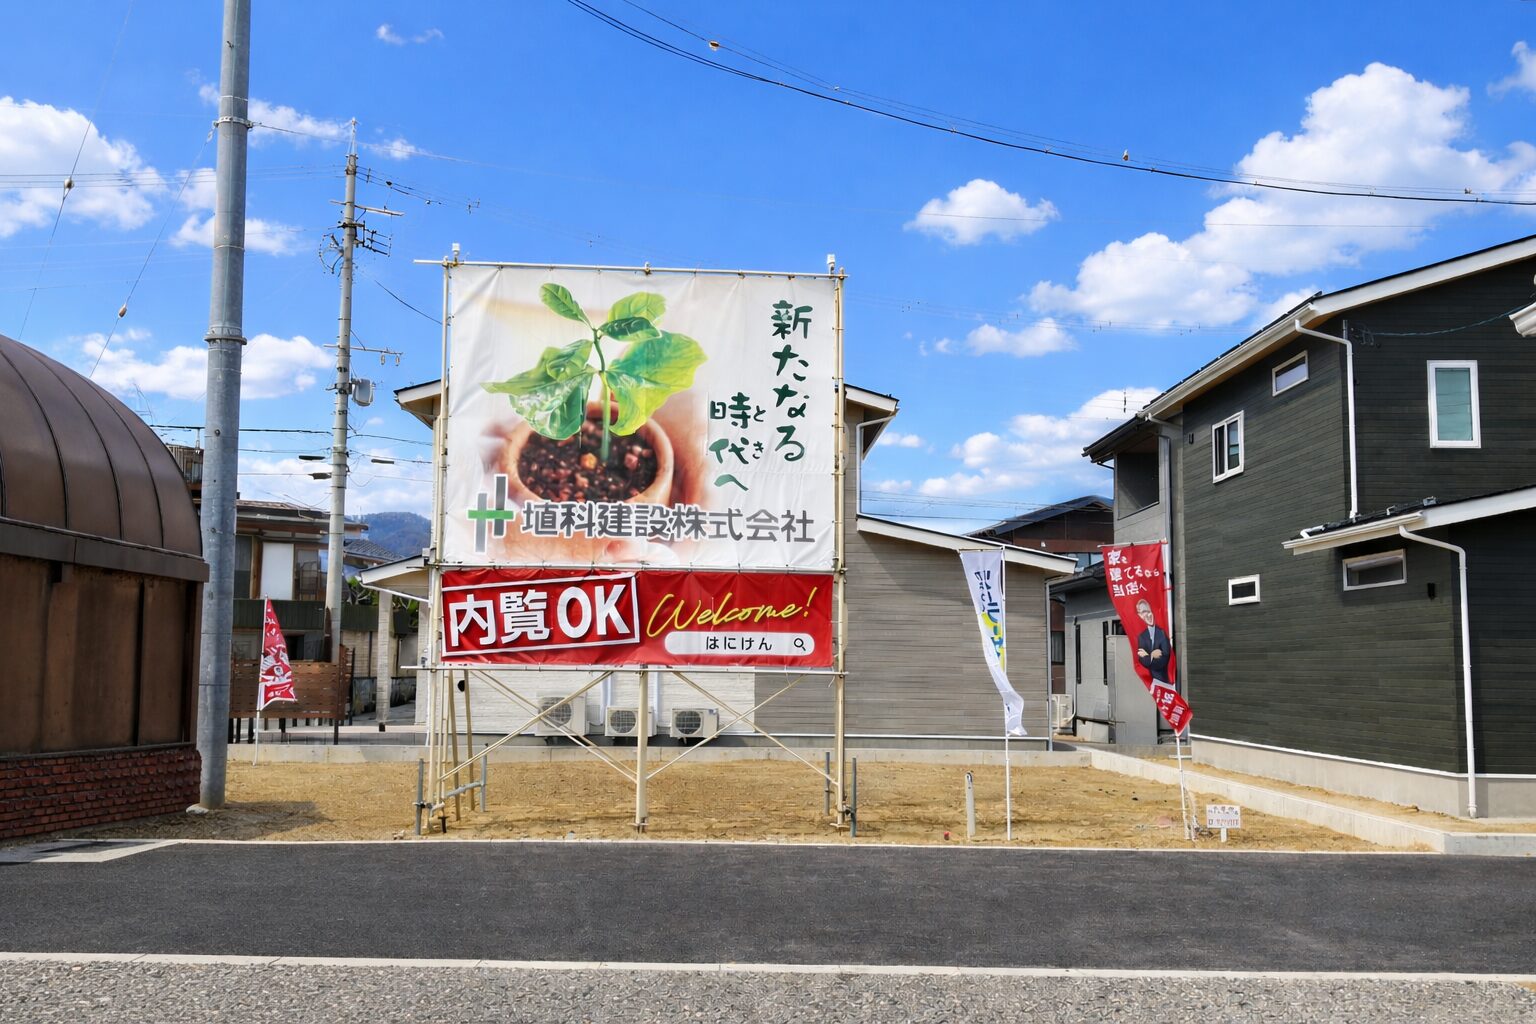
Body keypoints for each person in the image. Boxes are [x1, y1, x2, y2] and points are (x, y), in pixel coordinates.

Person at [1133, 598, 1175, 688]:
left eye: (1148, 611)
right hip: (1147, 684)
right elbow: (1141, 660)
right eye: (1144, 612)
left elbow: (1164, 659)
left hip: (1163, 683)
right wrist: (1152, 655)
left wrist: (1147, 657)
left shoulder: (1162, 634)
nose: (1148, 614)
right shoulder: (1142, 637)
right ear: (1140, 615)